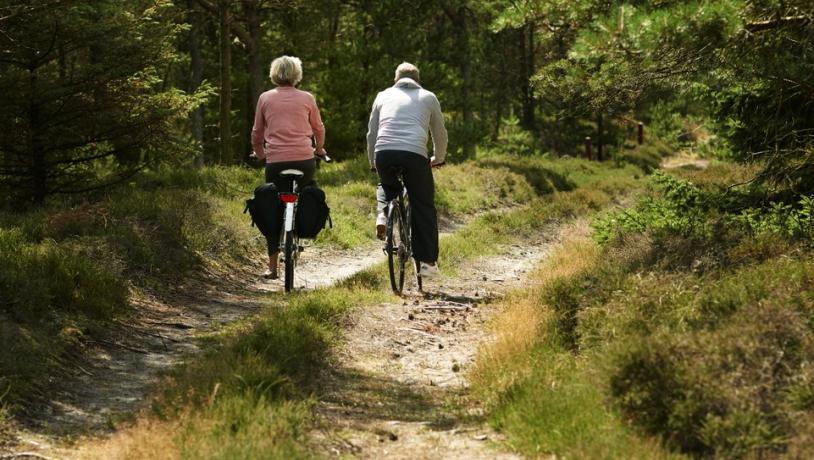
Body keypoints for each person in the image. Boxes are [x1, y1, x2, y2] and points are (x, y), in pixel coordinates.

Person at [367, 62, 447, 279]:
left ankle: (384, 215)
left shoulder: (382, 95)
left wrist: (373, 162)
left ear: (396, 80)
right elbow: (439, 134)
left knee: (386, 185)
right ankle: (428, 264)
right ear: (418, 80)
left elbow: (372, 133)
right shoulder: (428, 97)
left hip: (384, 153)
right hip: (415, 155)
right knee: (423, 205)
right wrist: (438, 158)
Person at [251, 55, 327, 279]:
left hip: (276, 162)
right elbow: (318, 128)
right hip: (304, 160)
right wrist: (319, 148)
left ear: (274, 74)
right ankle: (301, 227)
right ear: (297, 75)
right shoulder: (307, 97)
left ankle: (272, 267)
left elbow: (257, 132)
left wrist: (260, 153)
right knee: (307, 190)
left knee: (272, 205)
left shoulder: (265, 98)